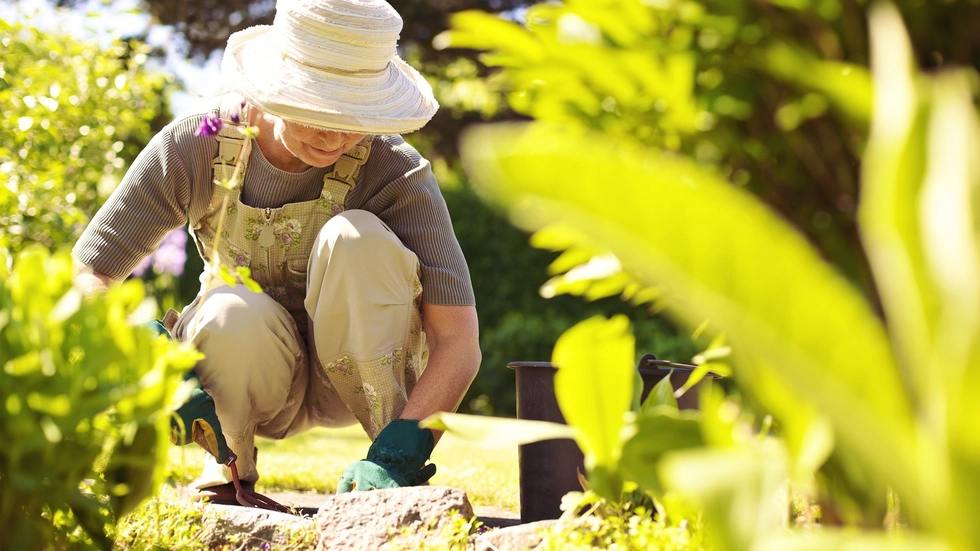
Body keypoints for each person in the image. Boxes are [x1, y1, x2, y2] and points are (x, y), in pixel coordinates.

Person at [72, 0, 481, 501]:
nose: (337, 136)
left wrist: (408, 446)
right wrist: (140, 350)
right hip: (242, 373)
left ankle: (383, 477)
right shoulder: (194, 147)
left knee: (356, 238)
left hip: (358, 377)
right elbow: (89, 274)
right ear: (272, 88)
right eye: (319, 110)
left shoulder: (395, 171)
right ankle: (229, 467)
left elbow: (458, 339)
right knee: (227, 309)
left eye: (357, 114)